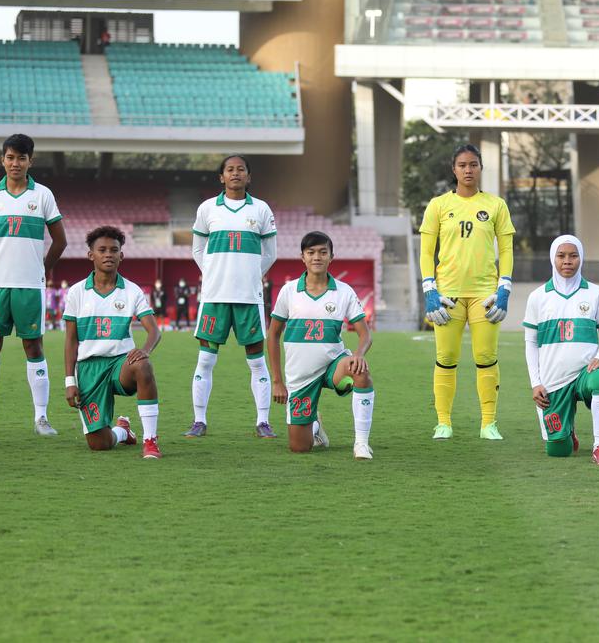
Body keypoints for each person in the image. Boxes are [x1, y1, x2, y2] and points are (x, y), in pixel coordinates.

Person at [0, 133, 68, 437]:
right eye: (10, 157)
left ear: (30, 161)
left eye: (21, 158)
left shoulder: (43, 195)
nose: (15, 163)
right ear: (2, 160)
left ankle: (41, 419)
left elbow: (60, 241)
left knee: (33, 345)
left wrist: (41, 269)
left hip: (29, 286)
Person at [419, 144, 515, 440]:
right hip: (448, 293)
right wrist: (429, 288)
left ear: (481, 168)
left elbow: (507, 249)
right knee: (446, 357)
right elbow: (426, 251)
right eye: (462, 165)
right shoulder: (437, 206)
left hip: (485, 293)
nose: (468, 170)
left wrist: (505, 286)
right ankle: (443, 422)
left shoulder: (496, 205)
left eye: (473, 164)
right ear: (454, 169)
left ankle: (488, 423)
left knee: (486, 355)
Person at [183, 155, 278, 439]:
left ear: (249, 177)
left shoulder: (261, 209)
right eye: (229, 169)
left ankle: (263, 421)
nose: (235, 173)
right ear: (221, 177)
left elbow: (270, 254)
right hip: (215, 296)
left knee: (257, 361)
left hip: (249, 298)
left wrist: (247, 275)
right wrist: (215, 274)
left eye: (241, 169)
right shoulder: (207, 208)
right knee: (206, 360)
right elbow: (198, 251)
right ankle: (199, 420)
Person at [267, 231, 375, 459]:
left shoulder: (344, 291)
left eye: (323, 252)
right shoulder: (288, 291)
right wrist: (277, 381)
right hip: (300, 377)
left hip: (333, 366)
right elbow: (273, 335)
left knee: (361, 371)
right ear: (302, 257)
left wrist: (358, 354)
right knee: (299, 448)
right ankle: (314, 426)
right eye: (311, 252)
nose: (317, 257)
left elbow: (365, 335)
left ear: (331, 257)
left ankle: (361, 444)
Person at [63, 226, 162, 458]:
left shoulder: (132, 291)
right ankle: (123, 431)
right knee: (99, 444)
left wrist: (144, 350)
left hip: (120, 364)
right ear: (91, 255)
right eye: (102, 250)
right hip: (89, 368)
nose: (108, 254)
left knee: (142, 365)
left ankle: (150, 440)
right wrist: (69, 381)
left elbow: (154, 331)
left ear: (121, 255)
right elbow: (70, 341)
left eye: (114, 250)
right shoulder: (77, 292)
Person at [523, 235, 599, 464]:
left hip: (586, 371)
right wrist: (536, 382)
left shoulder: (595, 293)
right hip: (553, 380)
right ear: (552, 258)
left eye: (573, 256)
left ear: (581, 259)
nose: (567, 261)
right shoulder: (537, 297)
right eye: (561, 255)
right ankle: (568, 431)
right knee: (558, 451)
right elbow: (531, 343)